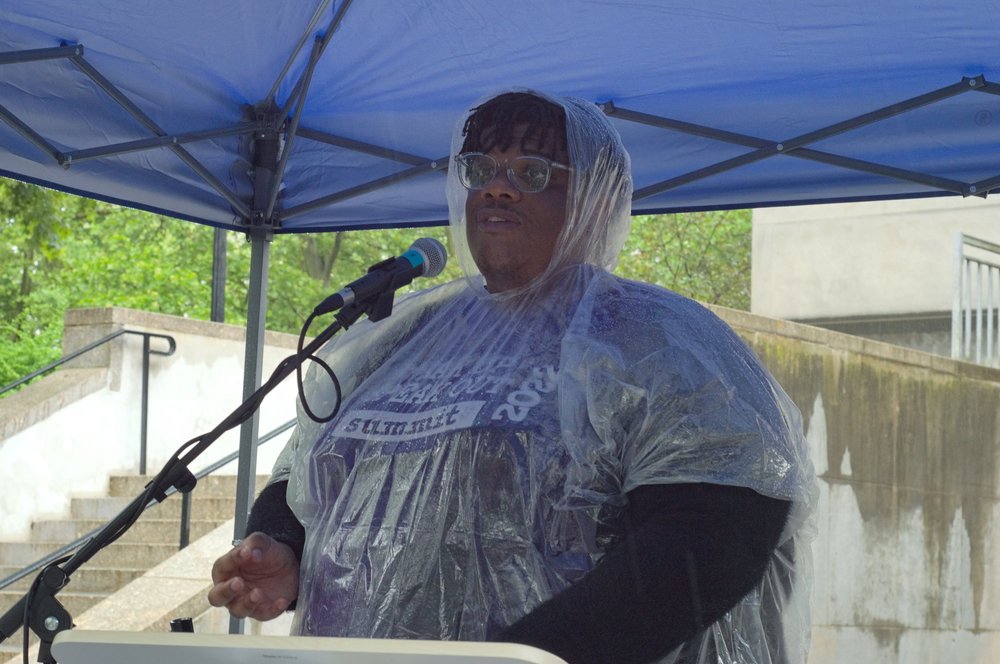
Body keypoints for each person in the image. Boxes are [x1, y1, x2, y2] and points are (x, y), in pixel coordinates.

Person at [209, 89, 816, 664]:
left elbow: (710, 539)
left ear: (598, 199)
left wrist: (521, 658)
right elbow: (303, 477)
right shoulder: (399, 337)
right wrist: (280, 544)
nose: (497, 190)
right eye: (480, 171)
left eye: (531, 173)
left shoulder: (661, 341)